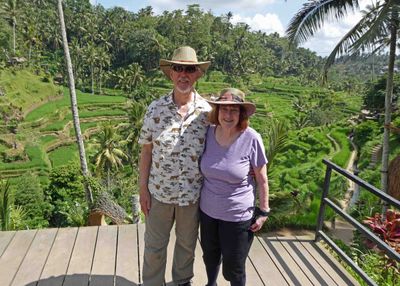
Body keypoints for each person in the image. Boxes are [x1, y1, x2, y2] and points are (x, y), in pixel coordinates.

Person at [138, 46, 211, 286]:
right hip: (159, 192)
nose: (184, 74)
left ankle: (182, 282)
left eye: (189, 69)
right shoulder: (154, 108)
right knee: (154, 247)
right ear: (170, 73)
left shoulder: (207, 112)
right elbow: (146, 150)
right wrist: (143, 191)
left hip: (191, 195)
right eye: (178, 68)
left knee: (186, 246)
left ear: (197, 74)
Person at [199, 88, 270, 286]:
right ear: (217, 112)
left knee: (234, 267)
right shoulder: (208, 134)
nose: (228, 115)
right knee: (210, 256)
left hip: (237, 215)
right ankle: (210, 284)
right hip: (208, 212)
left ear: (241, 114)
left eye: (234, 110)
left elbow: (262, 179)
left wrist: (264, 211)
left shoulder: (251, 138)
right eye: (224, 110)